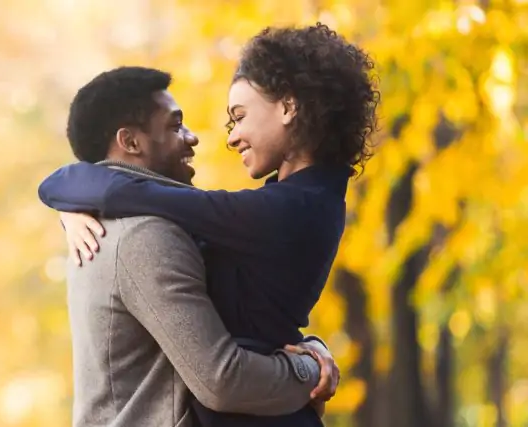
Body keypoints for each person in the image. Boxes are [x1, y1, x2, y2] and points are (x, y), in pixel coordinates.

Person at [41, 23, 378, 427]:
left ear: (289, 108)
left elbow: (134, 195)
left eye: (239, 117)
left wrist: (65, 191)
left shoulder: (285, 210)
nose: (227, 138)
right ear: (130, 142)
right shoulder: (147, 235)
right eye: (175, 126)